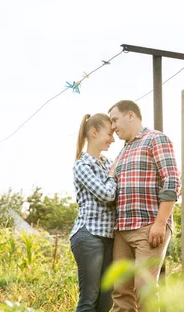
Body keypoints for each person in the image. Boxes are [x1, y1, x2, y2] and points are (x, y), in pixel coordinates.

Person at [108, 100, 180, 312]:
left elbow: (172, 181)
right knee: (121, 291)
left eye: (114, 119)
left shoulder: (155, 139)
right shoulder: (121, 153)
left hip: (148, 226)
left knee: (144, 288)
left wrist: (160, 223)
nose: (112, 126)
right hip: (121, 229)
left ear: (130, 115)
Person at [70, 113, 117, 312]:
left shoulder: (107, 163)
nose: (113, 139)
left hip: (109, 237)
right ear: (94, 132)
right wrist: (113, 175)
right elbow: (107, 194)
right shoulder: (82, 165)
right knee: (89, 299)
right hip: (88, 235)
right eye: (110, 133)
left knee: (106, 301)